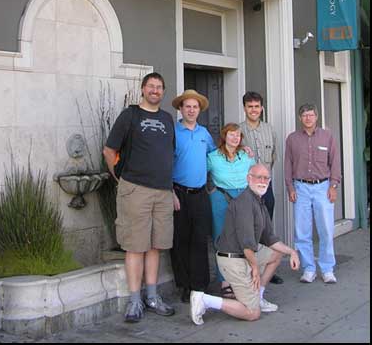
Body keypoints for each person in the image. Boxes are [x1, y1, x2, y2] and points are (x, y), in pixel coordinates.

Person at [103, 72, 176, 323]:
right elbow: (109, 149)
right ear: (142, 89)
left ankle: (152, 297)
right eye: (151, 86)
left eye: (159, 87)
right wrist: (119, 178)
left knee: (156, 246)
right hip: (135, 190)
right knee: (136, 246)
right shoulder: (130, 116)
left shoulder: (167, 119)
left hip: (163, 192)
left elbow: (168, 157)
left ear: (163, 92)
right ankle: (134, 301)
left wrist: (171, 190)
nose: (155, 90)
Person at [190, 164, 300, 325]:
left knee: (276, 253)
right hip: (233, 259)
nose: (262, 181)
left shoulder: (258, 201)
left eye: (266, 178)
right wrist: (254, 268)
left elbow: (269, 238)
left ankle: (258, 297)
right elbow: (246, 242)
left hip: (245, 254)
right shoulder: (244, 203)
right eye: (258, 177)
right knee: (252, 313)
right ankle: (205, 300)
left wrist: (292, 252)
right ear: (249, 178)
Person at [284, 103, 341, 284]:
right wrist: (290, 188)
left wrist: (333, 186)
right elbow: (288, 165)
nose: (308, 118)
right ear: (300, 118)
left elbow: (335, 162)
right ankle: (308, 268)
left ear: (316, 117)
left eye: (311, 115)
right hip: (300, 188)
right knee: (302, 231)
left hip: (322, 188)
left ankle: (327, 268)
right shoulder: (292, 139)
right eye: (304, 115)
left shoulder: (327, 136)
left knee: (326, 229)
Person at [170, 89, 215, 303]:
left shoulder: (204, 134)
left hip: (200, 194)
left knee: (200, 241)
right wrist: (170, 192)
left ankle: (200, 286)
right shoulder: (173, 132)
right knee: (181, 241)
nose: (191, 110)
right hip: (178, 194)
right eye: (187, 106)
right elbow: (164, 163)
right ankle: (185, 285)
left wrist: (244, 151)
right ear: (181, 109)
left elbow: (216, 158)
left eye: (195, 107)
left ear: (199, 110)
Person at [239, 91, 283, 285]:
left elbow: (273, 156)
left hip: (267, 187)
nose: (254, 110)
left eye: (257, 106)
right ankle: (249, 269)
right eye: (250, 106)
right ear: (245, 108)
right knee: (249, 227)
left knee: (266, 226)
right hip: (246, 189)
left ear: (261, 108)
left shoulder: (269, 129)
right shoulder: (238, 131)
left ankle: (268, 268)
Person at [207, 123, 255, 299]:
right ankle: (224, 281)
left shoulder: (246, 155)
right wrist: (210, 191)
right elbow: (200, 174)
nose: (235, 138)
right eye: (231, 134)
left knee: (244, 237)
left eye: (238, 135)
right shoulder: (212, 157)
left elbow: (255, 175)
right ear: (224, 136)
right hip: (220, 197)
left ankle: (245, 277)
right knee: (221, 238)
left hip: (243, 197)